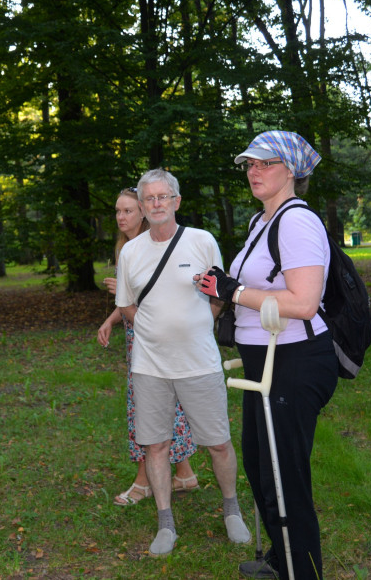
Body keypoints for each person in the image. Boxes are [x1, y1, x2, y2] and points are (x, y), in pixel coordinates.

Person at [199, 131, 337, 580]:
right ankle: (282, 560)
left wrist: (235, 291)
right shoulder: (264, 221)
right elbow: (259, 286)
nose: (253, 171)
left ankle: (305, 572)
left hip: (295, 362)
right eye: (249, 164)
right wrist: (223, 286)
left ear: (291, 170)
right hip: (266, 364)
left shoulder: (297, 222)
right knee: (262, 467)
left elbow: (303, 303)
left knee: (285, 479)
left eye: (264, 163)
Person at [115, 170, 251, 556]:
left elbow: (219, 292)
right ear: (142, 206)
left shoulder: (201, 241)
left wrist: (201, 322)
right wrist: (152, 329)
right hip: (149, 367)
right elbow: (125, 303)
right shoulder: (131, 252)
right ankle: (165, 523)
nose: (156, 204)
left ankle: (231, 510)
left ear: (176, 201)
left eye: (163, 197)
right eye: (149, 198)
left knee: (219, 444)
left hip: (200, 363)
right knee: (155, 446)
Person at [97, 188, 199, 506]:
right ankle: (184, 472)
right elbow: (127, 300)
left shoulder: (150, 246)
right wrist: (112, 319)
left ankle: (143, 482)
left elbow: (164, 295)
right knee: (163, 401)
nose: (121, 217)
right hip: (137, 337)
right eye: (117, 211)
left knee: (145, 405)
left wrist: (124, 291)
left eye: (128, 210)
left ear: (142, 212)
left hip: (155, 337)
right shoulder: (125, 248)